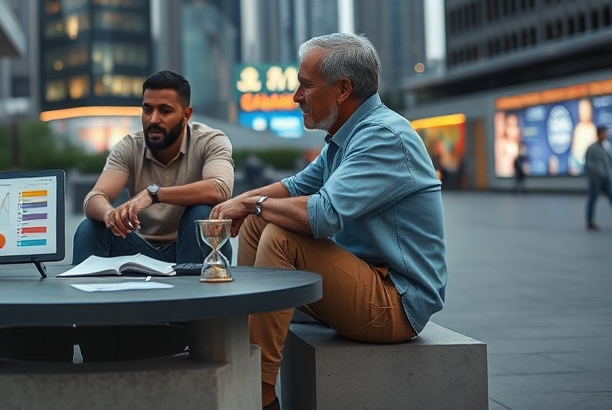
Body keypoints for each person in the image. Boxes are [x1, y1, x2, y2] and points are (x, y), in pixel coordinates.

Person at [209, 33, 447, 410]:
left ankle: (259, 390)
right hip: (363, 282)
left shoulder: (383, 137)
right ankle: (246, 342)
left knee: (279, 235)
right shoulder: (344, 137)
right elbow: (294, 186)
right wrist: (238, 203)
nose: (296, 97)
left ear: (342, 89)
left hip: (396, 304)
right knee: (259, 222)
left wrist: (253, 203)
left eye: (305, 85)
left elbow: (322, 214)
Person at [75, 70, 234, 265]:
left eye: (165, 111)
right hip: (142, 250)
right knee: (91, 227)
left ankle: (196, 293)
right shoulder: (129, 146)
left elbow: (219, 188)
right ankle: (86, 292)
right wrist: (110, 215)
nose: (153, 119)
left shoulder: (210, 141)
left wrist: (153, 195)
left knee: (202, 213)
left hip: (192, 247)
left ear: (186, 115)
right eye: (147, 109)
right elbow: (95, 197)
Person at [583, 124, 612, 231]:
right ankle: (590, 221)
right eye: (604, 133)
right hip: (596, 179)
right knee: (593, 199)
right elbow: (587, 163)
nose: (606, 135)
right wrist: (595, 169)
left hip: (606, 177)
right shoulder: (592, 148)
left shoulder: (605, 147)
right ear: (599, 134)